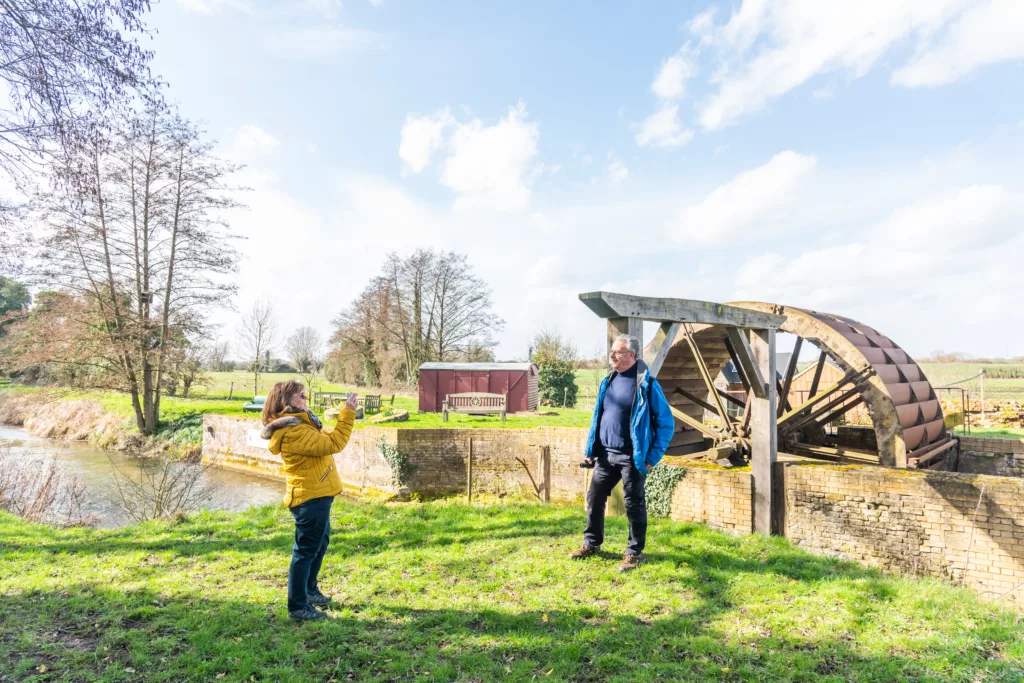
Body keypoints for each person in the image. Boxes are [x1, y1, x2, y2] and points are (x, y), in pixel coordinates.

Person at [569, 334, 675, 571]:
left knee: (634, 504)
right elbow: (598, 418)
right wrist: (591, 450)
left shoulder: (647, 385)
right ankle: (591, 544)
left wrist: (651, 458)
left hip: (632, 457)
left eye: (618, 352)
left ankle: (634, 553)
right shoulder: (608, 381)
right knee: (594, 498)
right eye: (612, 351)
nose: (612, 355)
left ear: (632, 355)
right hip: (606, 455)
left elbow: (667, 423)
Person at [260, 380, 358, 621]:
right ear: (287, 402)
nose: (306, 399)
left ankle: (310, 591)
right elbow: (333, 443)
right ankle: (298, 606)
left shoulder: (304, 423)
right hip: (309, 497)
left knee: (319, 543)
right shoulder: (294, 432)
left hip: (318, 493)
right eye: (301, 396)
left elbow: (327, 437)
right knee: (304, 551)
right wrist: (348, 414)